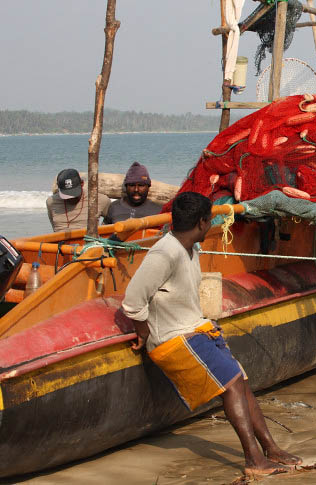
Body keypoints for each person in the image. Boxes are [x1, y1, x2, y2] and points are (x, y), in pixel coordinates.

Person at [122, 192, 301, 478]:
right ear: (203, 223)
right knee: (230, 384)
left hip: (195, 330)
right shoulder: (164, 253)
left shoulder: (191, 248)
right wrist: (143, 332)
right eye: (210, 221)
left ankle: (270, 448)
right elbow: (133, 300)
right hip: (174, 338)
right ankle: (253, 459)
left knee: (241, 381)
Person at [46, 168, 111, 232]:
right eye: (67, 195)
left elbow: (111, 219)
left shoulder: (100, 200)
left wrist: (102, 231)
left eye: (74, 194)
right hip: (60, 241)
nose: (70, 197)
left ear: (82, 184)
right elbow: (54, 228)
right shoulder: (51, 202)